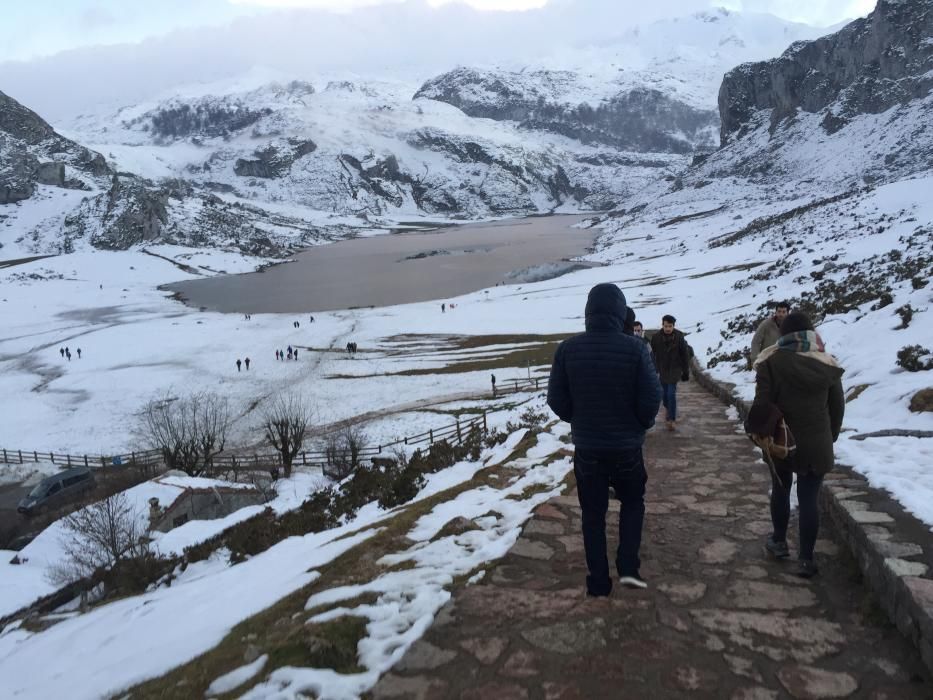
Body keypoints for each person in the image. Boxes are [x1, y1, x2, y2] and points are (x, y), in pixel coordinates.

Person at [547, 283, 661, 595]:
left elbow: (556, 399)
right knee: (633, 502)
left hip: (588, 450)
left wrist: (580, 420)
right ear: (619, 312)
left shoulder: (568, 349)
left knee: (593, 514)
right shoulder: (636, 348)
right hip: (627, 448)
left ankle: (598, 581)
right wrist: (640, 424)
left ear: (588, 312)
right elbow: (653, 397)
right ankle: (627, 567)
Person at [753, 312, 844, 578]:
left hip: (781, 441)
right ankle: (806, 559)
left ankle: (779, 542)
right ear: (811, 334)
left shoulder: (771, 362)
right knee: (808, 500)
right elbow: (837, 407)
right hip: (817, 442)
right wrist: (830, 436)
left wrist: (760, 431)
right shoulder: (827, 363)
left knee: (781, 491)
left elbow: (762, 404)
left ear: (784, 335)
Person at [650, 314, 690, 431]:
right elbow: (652, 354)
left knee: (671, 393)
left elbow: (684, 355)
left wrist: (685, 371)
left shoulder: (679, 336)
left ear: (673, 326)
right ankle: (669, 409)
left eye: (670, 326)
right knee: (664, 395)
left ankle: (671, 419)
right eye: (666, 326)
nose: (668, 328)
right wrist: (653, 369)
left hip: (675, 369)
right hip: (662, 369)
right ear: (662, 325)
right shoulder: (656, 337)